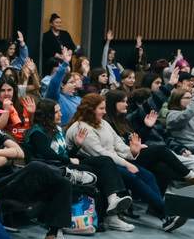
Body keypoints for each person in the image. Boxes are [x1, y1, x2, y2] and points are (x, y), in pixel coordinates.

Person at [66, 94, 186, 232]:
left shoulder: (103, 123)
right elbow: (100, 153)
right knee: (133, 178)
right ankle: (166, 214)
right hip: (96, 164)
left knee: (149, 176)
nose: (105, 112)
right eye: (101, 109)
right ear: (90, 109)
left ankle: (163, 215)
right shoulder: (81, 128)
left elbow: (117, 144)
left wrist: (132, 152)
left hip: (112, 161)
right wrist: (127, 164)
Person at [0, 97, 74, 239]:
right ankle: (65, 171)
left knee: (63, 183)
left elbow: (20, 152)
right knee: (36, 166)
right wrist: (6, 153)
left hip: (11, 175)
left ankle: (53, 234)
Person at [24, 99, 133, 231]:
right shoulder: (37, 132)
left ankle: (112, 200)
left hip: (65, 163)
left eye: (59, 111)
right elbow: (48, 155)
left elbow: (64, 153)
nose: (60, 114)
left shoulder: (58, 130)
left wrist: (77, 146)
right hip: (54, 168)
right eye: (56, 112)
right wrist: (69, 160)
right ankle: (107, 217)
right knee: (98, 173)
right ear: (47, 114)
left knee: (105, 161)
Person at [103, 89, 194, 192]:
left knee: (163, 167)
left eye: (126, 101)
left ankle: (156, 203)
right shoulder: (107, 123)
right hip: (124, 157)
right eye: (122, 102)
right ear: (113, 103)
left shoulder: (123, 120)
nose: (126, 104)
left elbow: (139, 139)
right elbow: (117, 147)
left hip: (134, 153)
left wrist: (147, 127)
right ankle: (191, 176)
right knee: (161, 150)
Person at [43, 47, 84, 121]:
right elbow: (54, 84)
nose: (75, 85)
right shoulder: (56, 98)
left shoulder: (79, 99)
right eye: (72, 82)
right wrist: (65, 64)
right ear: (62, 85)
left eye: (75, 82)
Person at [0, 76, 34, 143]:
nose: (6, 94)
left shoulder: (22, 104)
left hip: (25, 143)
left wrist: (31, 114)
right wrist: (6, 110)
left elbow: (31, 129)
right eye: (2, 90)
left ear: (14, 91)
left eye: (9, 90)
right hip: (6, 143)